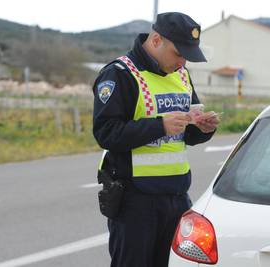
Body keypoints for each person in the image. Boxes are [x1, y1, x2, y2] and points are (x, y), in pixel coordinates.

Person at [92, 12, 219, 267]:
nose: (182, 61)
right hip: (135, 202)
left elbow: (185, 134)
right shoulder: (120, 74)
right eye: (178, 53)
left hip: (176, 197)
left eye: (187, 56)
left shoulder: (181, 74)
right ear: (157, 40)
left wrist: (202, 128)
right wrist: (159, 125)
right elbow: (106, 132)